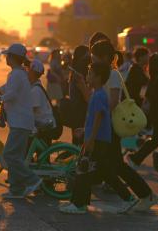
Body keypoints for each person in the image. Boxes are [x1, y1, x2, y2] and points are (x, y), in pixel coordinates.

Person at [86, 40, 158, 213]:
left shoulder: (112, 75)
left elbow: (113, 101)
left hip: (109, 127)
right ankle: (142, 195)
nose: (93, 61)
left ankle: (142, 195)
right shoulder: (106, 73)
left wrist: (99, 118)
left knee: (113, 165)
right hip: (105, 127)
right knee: (114, 165)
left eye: (95, 57)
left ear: (103, 57)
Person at [59, 62, 112, 214]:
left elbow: (99, 117)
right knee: (85, 171)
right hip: (94, 137)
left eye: (90, 73)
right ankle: (80, 203)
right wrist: (84, 130)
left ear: (99, 77)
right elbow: (93, 117)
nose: (88, 76)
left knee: (83, 170)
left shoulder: (100, 94)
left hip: (97, 140)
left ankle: (78, 204)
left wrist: (91, 139)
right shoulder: (96, 93)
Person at [0, 43, 42, 199]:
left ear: (13, 58)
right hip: (20, 122)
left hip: (20, 122)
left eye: (7, 55)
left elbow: (11, 93)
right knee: (16, 156)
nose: (6, 57)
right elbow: (9, 87)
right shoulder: (18, 73)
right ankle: (16, 189)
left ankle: (32, 179)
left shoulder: (17, 74)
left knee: (9, 155)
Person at [27, 59, 55, 146]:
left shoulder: (36, 90)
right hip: (43, 124)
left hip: (44, 127)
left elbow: (31, 110)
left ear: (32, 72)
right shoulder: (35, 86)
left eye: (28, 70)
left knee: (31, 150)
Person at [69, 45, 90, 146]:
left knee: (76, 136)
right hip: (81, 107)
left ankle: (74, 157)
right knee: (80, 136)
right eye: (87, 54)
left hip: (75, 107)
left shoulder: (75, 67)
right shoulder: (81, 67)